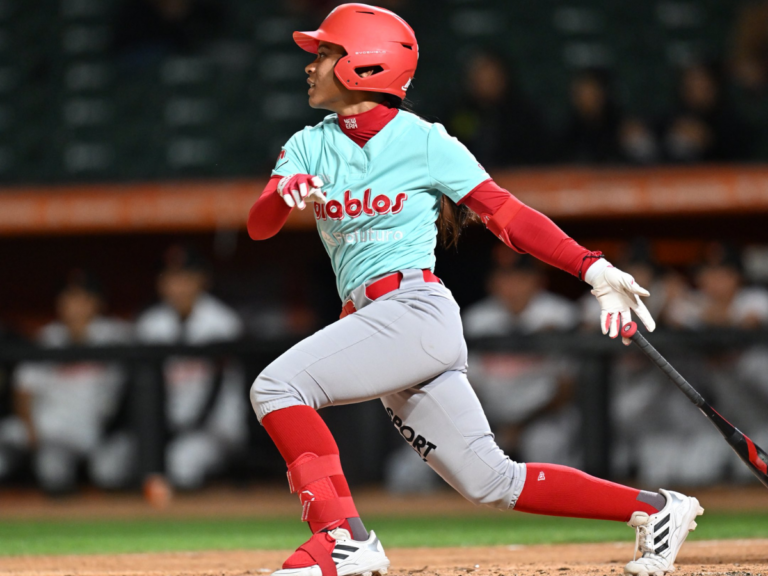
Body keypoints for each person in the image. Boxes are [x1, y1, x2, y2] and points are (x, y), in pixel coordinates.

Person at [246, 6, 702, 576]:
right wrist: (281, 193)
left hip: (412, 310)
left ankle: (342, 536)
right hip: (376, 323)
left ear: (364, 65)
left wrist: (591, 268)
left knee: (277, 387)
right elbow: (259, 225)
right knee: (491, 480)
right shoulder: (308, 145)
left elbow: (507, 216)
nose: (310, 66)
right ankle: (657, 510)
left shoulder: (427, 142)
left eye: (325, 53)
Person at [135, 245, 247, 489]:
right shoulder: (151, 324)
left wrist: (189, 426)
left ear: (201, 280)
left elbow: (217, 391)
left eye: (185, 277)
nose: (178, 286)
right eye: (171, 278)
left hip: (216, 428)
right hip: (170, 427)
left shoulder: (222, 322)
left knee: (182, 462)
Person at [12, 271, 132, 494]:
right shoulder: (47, 338)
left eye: (82, 299)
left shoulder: (115, 335)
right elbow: (23, 389)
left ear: (97, 303)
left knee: (108, 474)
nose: (75, 306)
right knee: (51, 472)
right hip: (55, 432)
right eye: (68, 299)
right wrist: (30, 430)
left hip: (102, 431)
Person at [446, 50, 550, 168]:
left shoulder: (524, 116)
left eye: (492, 78)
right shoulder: (457, 114)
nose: (486, 84)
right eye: (480, 78)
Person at [659, 62, 752, 163]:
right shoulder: (676, 113)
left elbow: (739, 152)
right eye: (691, 86)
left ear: (714, 86)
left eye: (702, 85)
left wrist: (708, 139)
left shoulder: (729, 117)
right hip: (677, 173)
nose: (697, 90)